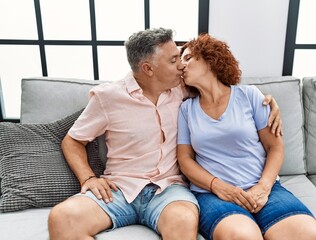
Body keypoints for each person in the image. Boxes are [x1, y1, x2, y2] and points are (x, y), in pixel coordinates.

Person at [47, 28, 282, 240]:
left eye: (181, 58)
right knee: (61, 218)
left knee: (183, 221)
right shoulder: (108, 97)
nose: (181, 65)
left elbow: (224, 92)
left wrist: (268, 102)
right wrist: (88, 178)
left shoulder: (184, 90)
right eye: (173, 60)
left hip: (169, 190)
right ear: (148, 69)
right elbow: (73, 140)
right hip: (120, 189)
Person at [177, 34, 316, 240]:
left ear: (210, 59)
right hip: (213, 194)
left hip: (263, 187)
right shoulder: (186, 109)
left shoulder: (250, 96)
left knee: (310, 235)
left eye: (188, 58)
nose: (181, 65)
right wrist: (219, 187)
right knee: (244, 237)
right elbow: (185, 160)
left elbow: (274, 147)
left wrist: (263, 188)